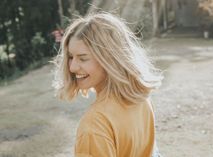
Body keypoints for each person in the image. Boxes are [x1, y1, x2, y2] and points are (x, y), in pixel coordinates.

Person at [53, 12, 163, 157]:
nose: (72, 67)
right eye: (71, 57)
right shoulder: (140, 97)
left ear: (109, 59)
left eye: (83, 58)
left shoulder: (94, 125)